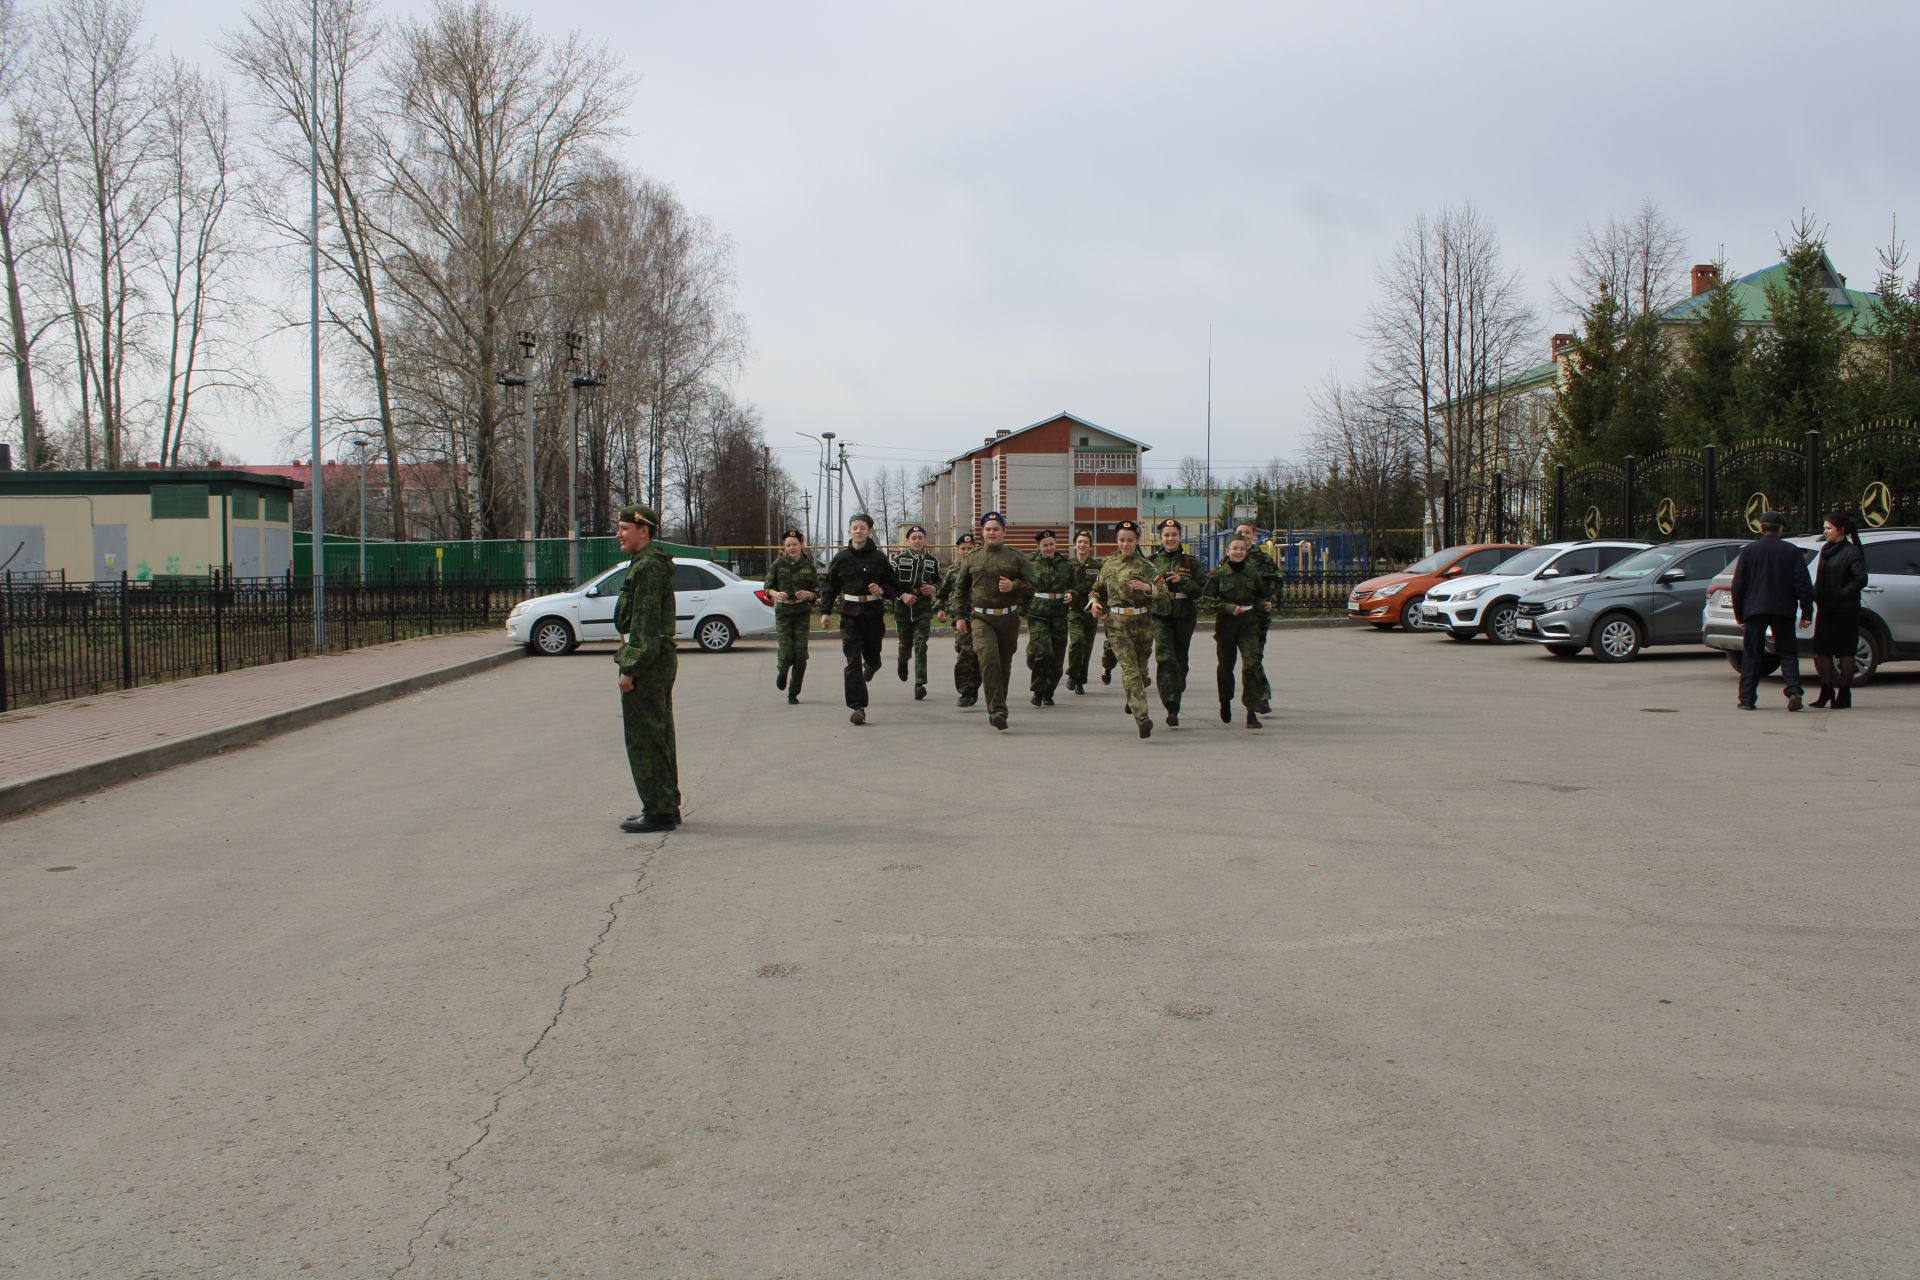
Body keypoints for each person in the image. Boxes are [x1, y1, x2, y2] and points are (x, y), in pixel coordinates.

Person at [613, 505, 680, 833]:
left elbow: (644, 625)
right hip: (657, 657)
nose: (619, 534)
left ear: (644, 530)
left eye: (624, 528)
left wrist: (630, 668)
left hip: (648, 661)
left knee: (645, 736)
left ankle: (658, 810)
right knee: (659, 732)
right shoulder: (645, 565)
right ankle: (665, 803)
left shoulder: (648, 569)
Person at [953, 511, 1034, 730]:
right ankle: (997, 711)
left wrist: (1014, 586)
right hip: (981, 618)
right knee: (989, 661)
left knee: (1003, 665)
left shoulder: (1016, 557)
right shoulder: (972, 558)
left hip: (1008, 618)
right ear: (982, 532)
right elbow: (960, 589)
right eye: (988, 529)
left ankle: (999, 703)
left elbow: (1033, 585)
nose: (991, 532)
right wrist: (959, 616)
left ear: (1004, 532)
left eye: (996, 529)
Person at [1088, 520, 1167, 738]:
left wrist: (1147, 588)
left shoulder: (1146, 566)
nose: (1125, 544)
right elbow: (1096, 590)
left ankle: (1133, 699)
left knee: (1140, 673)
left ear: (1137, 541)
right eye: (1122, 540)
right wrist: (1094, 603)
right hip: (1116, 625)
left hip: (1142, 625)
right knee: (1130, 670)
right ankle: (1143, 718)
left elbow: (1164, 593)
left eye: (1130, 540)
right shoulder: (1108, 564)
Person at [1731, 510, 1814, 712]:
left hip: (1755, 609)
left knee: (1752, 654)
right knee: (1787, 652)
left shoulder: (1749, 551)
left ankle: (1747, 699)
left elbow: (1738, 584)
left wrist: (1739, 613)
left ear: (1761, 528)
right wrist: (1806, 612)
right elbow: (1803, 584)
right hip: (1783, 609)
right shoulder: (1791, 551)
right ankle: (1793, 691)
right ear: (1781, 529)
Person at [818, 513, 892, 725]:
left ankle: (872, 666)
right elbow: (830, 587)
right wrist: (825, 612)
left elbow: (893, 584)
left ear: (869, 531)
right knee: (852, 662)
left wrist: (882, 589)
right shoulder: (841, 558)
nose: (858, 531)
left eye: (862, 527)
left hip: (873, 614)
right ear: (849, 531)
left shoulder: (879, 558)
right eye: (854, 527)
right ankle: (857, 707)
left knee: (873, 657)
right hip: (850, 615)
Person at [1199, 536, 1266, 728]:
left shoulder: (1252, 572)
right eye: (1234, 548)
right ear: (1227, 551)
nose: (1238, 552)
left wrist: (1264, 604)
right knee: (1226, 667)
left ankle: (1251, 711)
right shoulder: (1219, 575)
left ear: (1246, 551)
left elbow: (1260, 595)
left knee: (1251, 665)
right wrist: (1228, 607)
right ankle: (1225, 701)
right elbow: (1206, 599)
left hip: (1249, 624)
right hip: (1227, 625)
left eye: (1242, 549)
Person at [1148, 518, 1203, 727]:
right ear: (1161, 537)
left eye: (1174, 535)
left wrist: (1184, 582)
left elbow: (1201, 589)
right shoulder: (1151, 561)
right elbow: (1143, 587)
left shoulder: (1190, 562)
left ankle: (1176, 693)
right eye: (1166, 535)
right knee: (1164, 657)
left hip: (1184, 615)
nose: (1170, 538)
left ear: (1180, 537)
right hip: (1160, 614)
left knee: (1180, 660)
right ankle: (1170, 705)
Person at [1811, 510, 1867, 709]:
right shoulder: (1826, 549)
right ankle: (1826, 689)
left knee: (1845, 652)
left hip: (1845, 610)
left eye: (1829, 528)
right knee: (1820, 651)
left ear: (1841, 530)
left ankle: (1844, 691)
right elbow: (1820, 576)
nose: (1825, 532)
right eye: (1824, 528)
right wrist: (1815, 594)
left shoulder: (1851, 552)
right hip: (1826, 608)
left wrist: (1841, 594)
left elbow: (1860, 579)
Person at [763, 530, 818, 704]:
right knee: (787, 651)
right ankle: (782, 671)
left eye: (794, 544)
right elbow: (767, 588)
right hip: (784, 613)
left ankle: (793, 692)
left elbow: (817, 590)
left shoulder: (809, 566)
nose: (791, 548)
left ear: (801, 544)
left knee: (801, 655)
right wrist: (775, 594)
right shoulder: (778, 564)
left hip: (801, 613)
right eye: (788, 545)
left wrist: (809, 594)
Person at [1024, 529, 1075, 706]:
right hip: (1038, 613)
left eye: (1051, 544)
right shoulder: (1029, 563)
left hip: (1059, 614)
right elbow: (1022, 585)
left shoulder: (1065, 564)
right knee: (1044, 653)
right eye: (1045, 545)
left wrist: (1070, 593)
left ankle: (1049, 691)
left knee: (1057, 658)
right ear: (1038, 546)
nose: (1048, 548)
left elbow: (1072, 585)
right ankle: (1038, 691)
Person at [891, 525, 941, 701]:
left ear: (925, 540)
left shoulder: (932, 560)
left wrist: (933, 588)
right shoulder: (898, 560)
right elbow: (890, 583)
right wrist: (902, 595)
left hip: (923, 608)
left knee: (921, 644)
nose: (917, 541)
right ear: (908, 540)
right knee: (905, 644)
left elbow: (939, 581)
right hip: (903, 609)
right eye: (914, 538)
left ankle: (919, 684)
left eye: (920, 537)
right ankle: (902, 661)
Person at [1234, 521, 1279, 715]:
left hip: (1257, 616)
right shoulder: (1230, 558)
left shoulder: (1263, 559)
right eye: (1239, 532)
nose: (1243, 535)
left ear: (1254, 536)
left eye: (1247, 532)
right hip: (1234, 617)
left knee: (1253, 658)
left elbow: (1276, 581)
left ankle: (1261, 697)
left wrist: (1266, 599)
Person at [933, 531, 982, 707]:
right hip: (961, 619)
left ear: (976, 549)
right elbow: (942, 593)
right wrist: (940, 609)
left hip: (981, 617)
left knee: (978, 655)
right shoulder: (953, 571)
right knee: (965, 654)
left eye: (970, 548)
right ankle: (965, 691)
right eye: (963, 548)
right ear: (957, 550)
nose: (966, 551)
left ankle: (974, 687)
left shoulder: (981, 568)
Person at [1064, 530, 1102, 694]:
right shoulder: (1067, 566)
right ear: (1074, 545)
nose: (1082, 545)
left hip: (1091, 612)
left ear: (1090, 546)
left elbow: (1101, 588)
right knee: (1077, 641)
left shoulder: (1097, 566)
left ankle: (1080, 681)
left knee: (1087, 648)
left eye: (1086, 542)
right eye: (1079, 541)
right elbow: (1063, 585)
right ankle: (1073, 674)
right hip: (1073, 611)